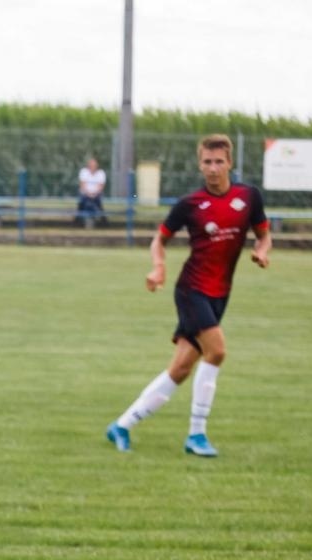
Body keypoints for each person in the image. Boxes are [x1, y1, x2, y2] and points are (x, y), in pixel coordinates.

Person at [106, 134, 270, 458]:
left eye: (218, 161)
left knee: (180, 368)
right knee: (218, 352)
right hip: (191, 289)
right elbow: (159, 239)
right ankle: (197, 435)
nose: (213, 168)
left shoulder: (249, 197)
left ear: (229, 163)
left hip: (220, 294)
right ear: (200, 164)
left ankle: (121, 425)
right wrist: (158, 268)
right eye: (207, 162)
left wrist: (262, 251)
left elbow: (264, 235)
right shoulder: (190, 205)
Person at [76, 156, 107, 226]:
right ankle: (80, 220)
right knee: (83, 202)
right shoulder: (83, 172)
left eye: (95, 165)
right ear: (88, 165)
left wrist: (94, 194)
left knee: (97, 202)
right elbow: (82, 185)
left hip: (96, 195)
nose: (93, 167)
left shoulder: (101, 173)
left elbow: (101, 186)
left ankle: (102, 221)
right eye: (92, 165)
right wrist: (89, 194)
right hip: (85, 194)